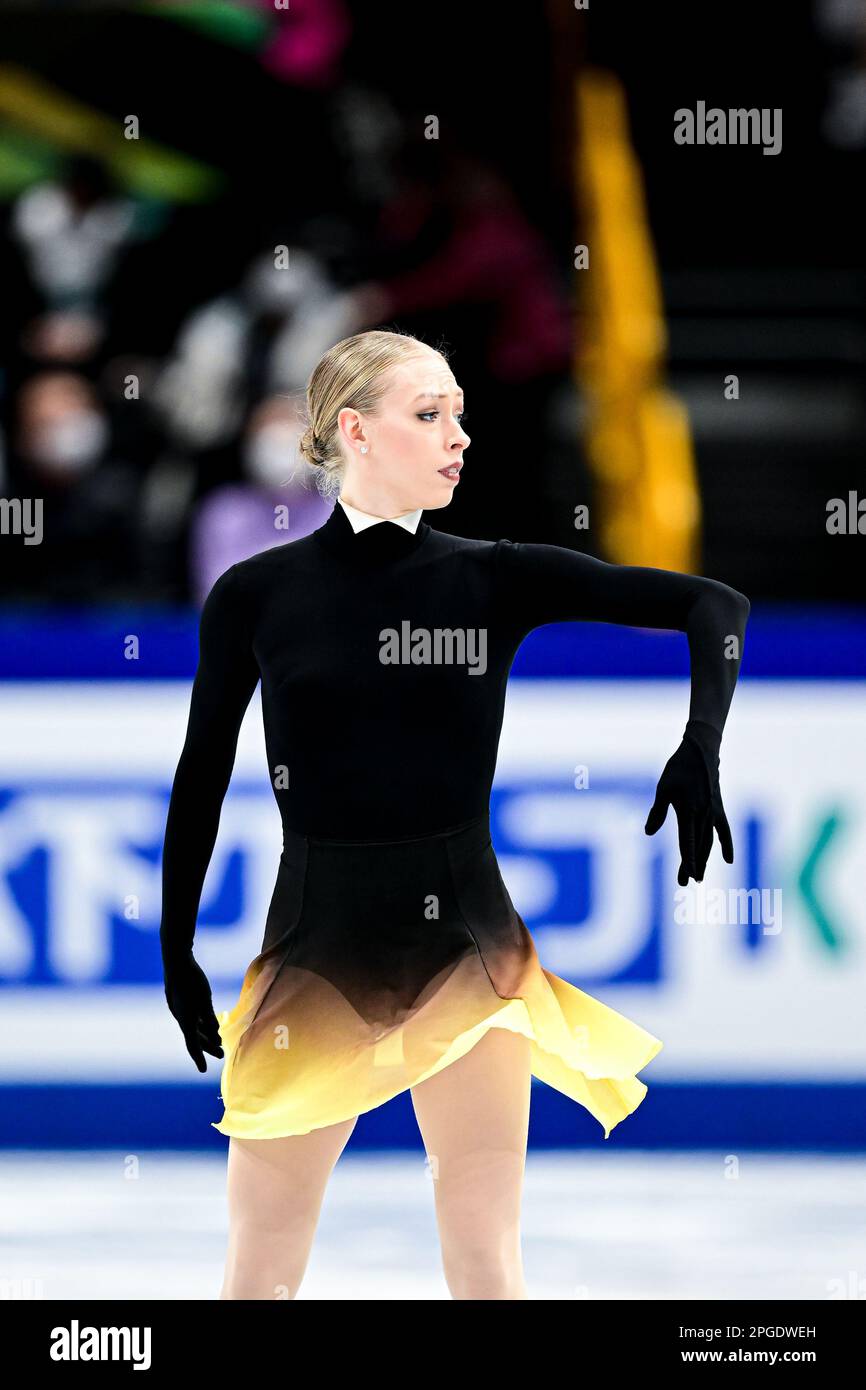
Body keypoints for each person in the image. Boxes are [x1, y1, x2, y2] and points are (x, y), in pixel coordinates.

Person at [159, 329, 750, 1300]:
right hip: (313, 956)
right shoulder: (256, 595)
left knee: (484, 1265)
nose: (459, 436)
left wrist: (700, 741)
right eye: (429, 415)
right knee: (258, 1278)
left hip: (472, 955)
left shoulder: (491, 575)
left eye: (460, 414)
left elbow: (711, 607)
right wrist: (175, 946)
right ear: (353, 431)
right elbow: (200, 777)